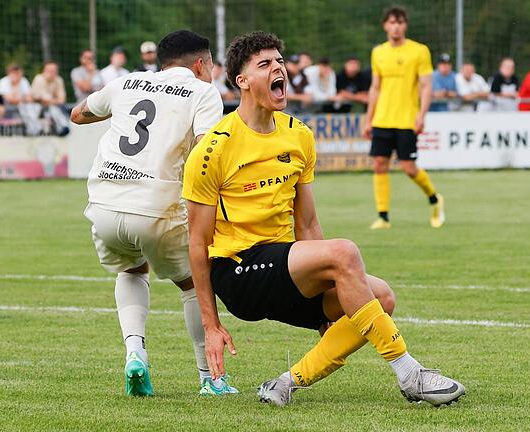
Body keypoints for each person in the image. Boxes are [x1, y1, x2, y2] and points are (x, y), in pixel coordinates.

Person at [182, 30, 465, 407]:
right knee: (344, 252)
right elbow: (197, 245)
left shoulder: (299, 136)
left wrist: (323, 290)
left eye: (279, 61)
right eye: (264, 64)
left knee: (381, 296)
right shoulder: (213, 148)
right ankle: (411, 374)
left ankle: (285, 383)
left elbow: (309, 225)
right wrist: (212, 325)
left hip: (284, 264)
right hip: (237, 272)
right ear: (242, 82)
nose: (277, 68)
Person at [69, 30, 237, 397]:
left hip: (105, 202)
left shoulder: (127, 82)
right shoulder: (203, 91)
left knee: (131, 269)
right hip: (156, 206)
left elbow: (78, 114)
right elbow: (206, 153)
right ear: (201, 64)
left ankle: (135, 353)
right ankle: (210, 377)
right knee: (193, 284)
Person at [363, 7, 444, 230]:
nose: (395, 26)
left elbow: (426, 86)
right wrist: (369, 118)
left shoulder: (419, 51)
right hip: (382, 119)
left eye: (399, 22)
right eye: (391, 22)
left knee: (408, 167)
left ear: (405, 25)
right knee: (379, 165)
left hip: (407, 119)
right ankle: (383, 216)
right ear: (385, 26)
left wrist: (422, 115)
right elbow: (375, 88)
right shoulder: (378, 52)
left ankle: (434, 198)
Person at [31, 60, 70, 136]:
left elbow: (62, 100)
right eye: (50, 71)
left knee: (54, 108)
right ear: (44, 71)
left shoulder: (59, 80)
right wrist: (55, 100)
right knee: (53, 108)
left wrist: (51, 101)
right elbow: (42, 99)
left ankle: (63, 127)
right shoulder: (39, 79)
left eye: (54, 71)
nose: (52, 73)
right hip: (37, 111)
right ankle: (63, 126)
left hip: (50, 110)